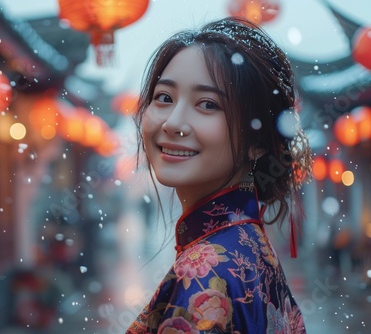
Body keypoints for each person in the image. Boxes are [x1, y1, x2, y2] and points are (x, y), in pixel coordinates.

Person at [127, 17, 313, 333]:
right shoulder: (249, 246)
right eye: (164, 97)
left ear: (257, 141)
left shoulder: (203, 277)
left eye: (208, 104)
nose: (173, 123)